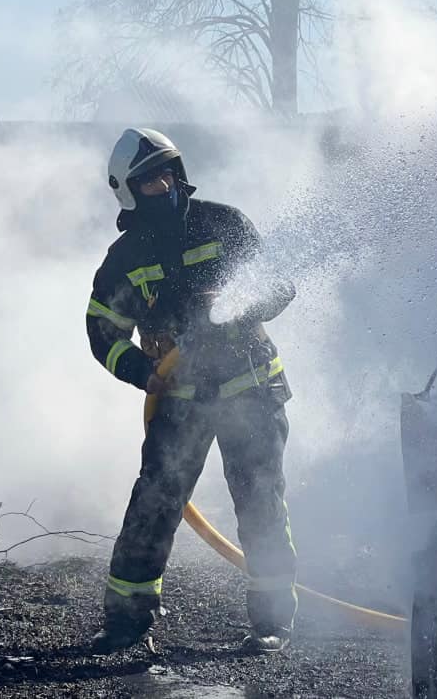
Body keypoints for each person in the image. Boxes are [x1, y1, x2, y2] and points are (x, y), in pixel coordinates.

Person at [85, 127, 297, 654]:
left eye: (170, 172)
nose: (167, 185)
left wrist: (240, 309)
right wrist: (143, 372)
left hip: (251, 389)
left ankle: (271, 621)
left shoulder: (223, 223)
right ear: (130, 192)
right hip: (179, 401)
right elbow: (101, 331)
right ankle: (127, 619)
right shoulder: (125, 258)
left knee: (260, 502)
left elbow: (280, 283)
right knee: (154, 503)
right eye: (152, 180)